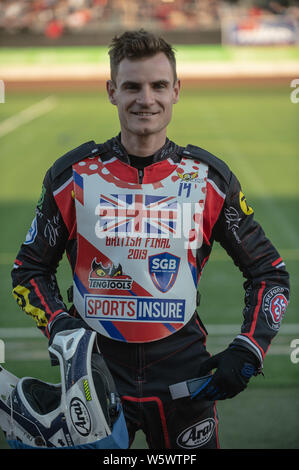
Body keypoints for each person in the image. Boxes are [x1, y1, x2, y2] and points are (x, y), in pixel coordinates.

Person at [11, 29, 289, 449]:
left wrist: (250, 348)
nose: (146, 99)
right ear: (111, 92)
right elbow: (27, 271)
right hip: (93, 376)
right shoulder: (72, 176)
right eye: (132, 86)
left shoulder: (208, 179)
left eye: (159, 85)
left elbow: (270, 273)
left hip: (185, 378)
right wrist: (62, 328)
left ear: (176, 91)